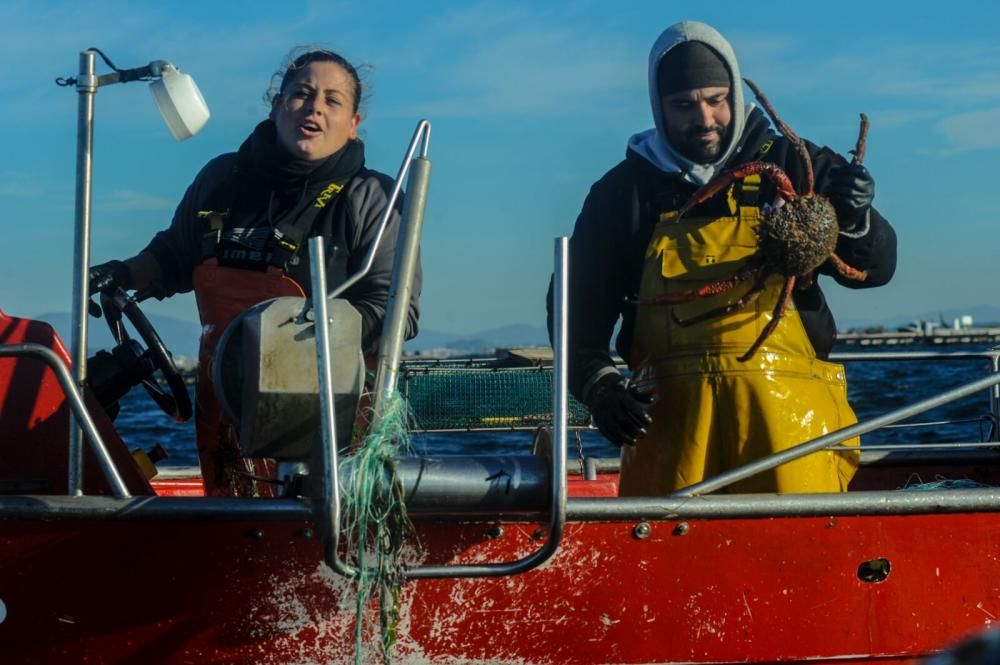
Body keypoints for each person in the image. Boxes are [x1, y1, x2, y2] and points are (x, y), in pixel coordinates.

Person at [548, 21, 896, 495]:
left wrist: (856, 216)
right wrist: (599, 386)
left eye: (716, 99)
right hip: (670, 431)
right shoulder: (624, 193)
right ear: (658, 106)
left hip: (794, 426)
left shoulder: (796, 162)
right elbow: (574, 307)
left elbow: (875, 270)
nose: (705, 118)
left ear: (735, 92)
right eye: (684, 105)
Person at [89, 48, 421, 497]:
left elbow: (395, 314)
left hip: (331, 428)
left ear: (353, 123)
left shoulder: (374, 199)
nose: (315, 107)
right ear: (276, 105)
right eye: (301, 94)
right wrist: (118, 273)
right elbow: (173, 255)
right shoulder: (220, 178)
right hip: (222, 416)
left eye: (332, 100)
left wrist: (296, 346)